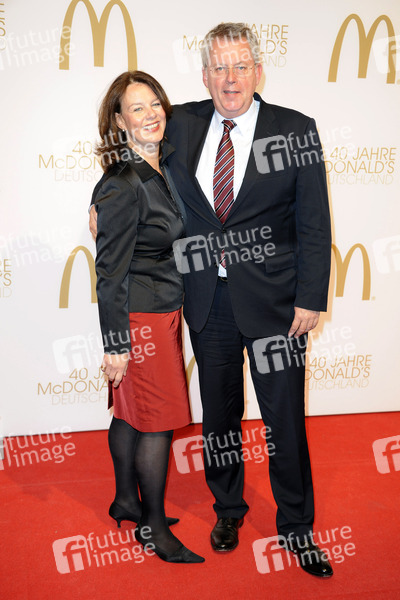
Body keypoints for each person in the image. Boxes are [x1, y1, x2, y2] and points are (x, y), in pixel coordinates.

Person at [90, 23, 332, 577]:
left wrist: (310, 296)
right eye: (219, 68)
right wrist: (98, 201)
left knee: (285, 421)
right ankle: (228, 510)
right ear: (204, 75)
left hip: (278, 308)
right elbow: (133, 157)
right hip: (206, 302)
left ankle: (297, 527)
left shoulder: (295, 130)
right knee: (219, 420)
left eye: (241, 66)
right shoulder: (182, 122)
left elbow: (315, 223)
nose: (230, 78)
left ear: (258, 71)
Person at [92, 70, 204, 564]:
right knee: (156, 422)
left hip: (161, 308)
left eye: (155, 103)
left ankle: (125, 499)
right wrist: (116, 344)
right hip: (141, 318)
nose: (151, 114)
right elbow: (109, 272)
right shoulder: (123, 183)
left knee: (129, 413)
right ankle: (154, 528)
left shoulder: (163, 162)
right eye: (136, 108)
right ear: (120, 121)